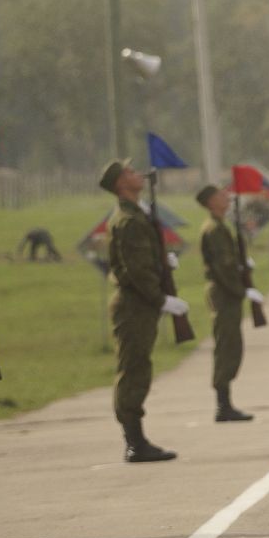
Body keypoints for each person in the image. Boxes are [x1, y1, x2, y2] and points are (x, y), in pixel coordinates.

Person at [100, 158, 186, 463]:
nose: (138, 175)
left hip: (140, 305)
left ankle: (136, 439)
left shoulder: (138, 215)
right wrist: (161, 298)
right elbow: (135, 271)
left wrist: (164, 264)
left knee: (139, 368)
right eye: (130, 172)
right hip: (134, 305)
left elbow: (142, 262)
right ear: (121, 184)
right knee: (133, 371)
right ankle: (134, 442)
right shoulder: (129, 219)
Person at [196, 183, 264, 423]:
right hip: (224, 292)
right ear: (211, 202)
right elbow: (223, 267)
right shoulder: (214, 229)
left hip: (227, 291)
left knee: (231, 344)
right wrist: (243, 289)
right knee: (226, 346)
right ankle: (222, 406)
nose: (226, 197)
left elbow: (229, 262)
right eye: (220, 195)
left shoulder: (221, 227)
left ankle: (225, 404)